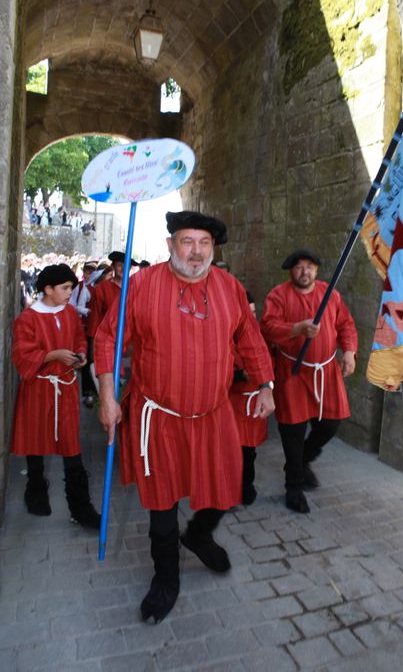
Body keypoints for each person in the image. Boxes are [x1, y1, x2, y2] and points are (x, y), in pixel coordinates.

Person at [94, 211, 274, 623]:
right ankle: (165, 579)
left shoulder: (229, 288)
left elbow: (249, 337)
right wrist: (107, 395)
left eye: (204, 243)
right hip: (157, 418)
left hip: (213, 414)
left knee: (228, 488)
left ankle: (198, 534)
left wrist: (266, 386)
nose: (196, 252)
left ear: (213, 249)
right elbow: (107, 338)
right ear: (171, 245)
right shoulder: (141, 285)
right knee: (162, 505)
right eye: (187, 242)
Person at [261, 249, 357, 514]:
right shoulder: (278, 295)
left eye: (310, 267)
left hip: (325, 372)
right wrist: (297, 328)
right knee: (292, 432)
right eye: (299, 267)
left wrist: (348, 351)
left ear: (317, 270)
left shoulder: (330, 294)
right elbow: (268, 326)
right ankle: (293, 486)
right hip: (292, 371)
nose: (305, 272)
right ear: (291, 270)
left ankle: (303, 460)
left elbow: (345, 324)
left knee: (330, 423)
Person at [10, 263, 101, 529]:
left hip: (66, 387)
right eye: (65, 288)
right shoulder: (27, 318)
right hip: (39, 388)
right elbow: (21, 355)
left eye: (71, 288)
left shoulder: (71, 313)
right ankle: (35, 491)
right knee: (36, 442)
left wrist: (81, 356)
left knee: (72, 446)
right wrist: (53, 355)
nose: (70, 293)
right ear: (47, 289)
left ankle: (80, 508)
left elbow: (79, 339)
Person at [229, 291, 268, 505]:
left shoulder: (259, 335)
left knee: (248, 451)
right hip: (231, 404)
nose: (250, 319)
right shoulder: (223, 336)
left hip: (252, 404)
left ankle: (246, 486)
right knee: (229, 452)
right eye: (246, 314)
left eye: (253, 313)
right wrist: (239, 375)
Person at [87, 251, 139, 340]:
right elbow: (95, 317)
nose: (123, 269)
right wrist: (93, 341)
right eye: (119, 265)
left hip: (129, 340)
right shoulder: (102, 288)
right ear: (113, 266)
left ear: (130, 268)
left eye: (126, 265)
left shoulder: (135, 289)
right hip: (106, 338)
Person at [70, 260, 98, 407]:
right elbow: (76, 306)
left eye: (92, 271)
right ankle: (88, 392)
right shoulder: (82, 288)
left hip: (94, 327)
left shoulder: (95, 288)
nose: (89, 274)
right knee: (88, 360)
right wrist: (88, 312)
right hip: (86, 326)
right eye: (87, 271)